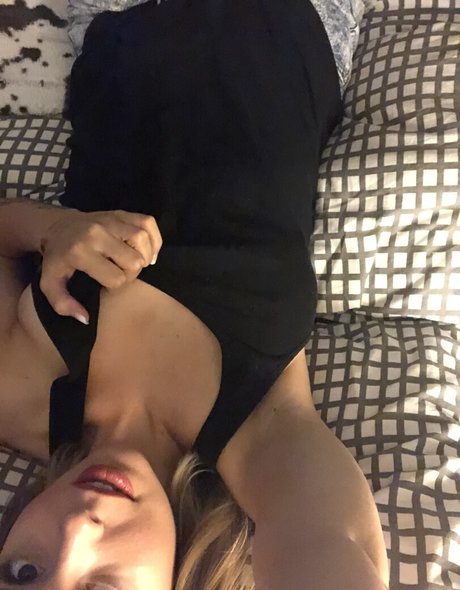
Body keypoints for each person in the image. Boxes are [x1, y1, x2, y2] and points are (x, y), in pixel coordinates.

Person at [0, 0, 390, 588]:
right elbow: (326, 554)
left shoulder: (16, 395)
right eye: (100, 587)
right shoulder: (265, 440)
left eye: (25, 572)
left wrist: (51, 229)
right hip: (284, 29)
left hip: (120, 31)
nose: (77, 529)